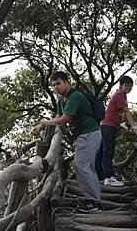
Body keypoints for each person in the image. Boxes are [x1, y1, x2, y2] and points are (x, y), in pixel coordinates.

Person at [32, 71, 102, 212]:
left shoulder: (74, 96)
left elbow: (64, 119)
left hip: (89, 134)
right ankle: (94, 201)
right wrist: (48, 125)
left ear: (67, 82)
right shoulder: (61, 100)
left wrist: (42, 124)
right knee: (86, 167)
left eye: (58, 83)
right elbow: (58, 117)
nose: (56, 87)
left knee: (81, 166)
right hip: (82, 136)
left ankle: (93, 202)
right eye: (53, 85)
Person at [96, 75, 136, 187]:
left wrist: (125, 123)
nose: (128, 88)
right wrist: (134, 125)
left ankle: (98, 176)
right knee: (108, 151)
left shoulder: (119, 95)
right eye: (126, 85)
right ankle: (109, 177)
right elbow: (126, 111)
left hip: (106, 125)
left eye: (130, 86)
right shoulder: (120, 94)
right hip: (109, 126)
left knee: (102, 152)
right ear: (121, 85)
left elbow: (120, 113)